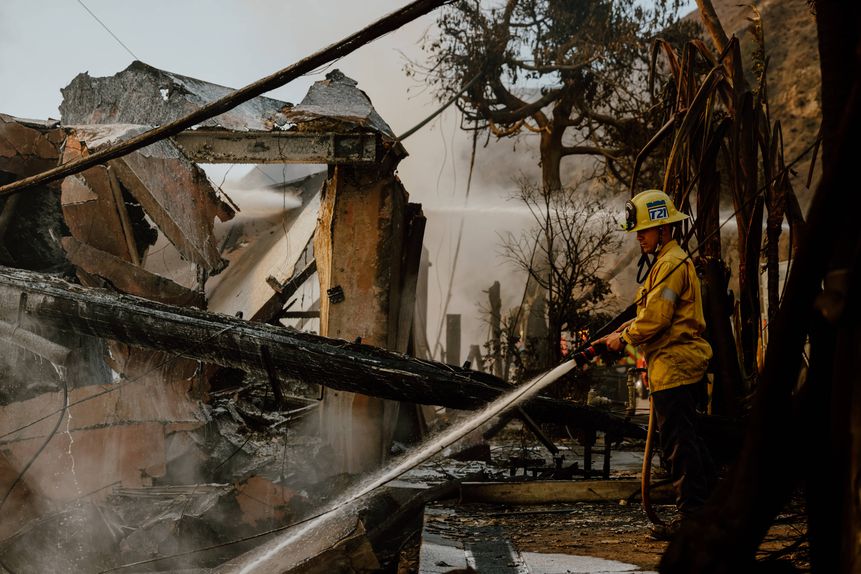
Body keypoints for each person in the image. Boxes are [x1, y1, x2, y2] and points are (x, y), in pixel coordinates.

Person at [599, 189, 715, 534]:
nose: (639, 238)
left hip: (675, 365)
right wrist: (623, 329)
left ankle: (692, 520)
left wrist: (625, 339)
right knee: (689, 441)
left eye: (644, 231)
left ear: (663, 229)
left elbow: (657, 319)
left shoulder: (669, 264)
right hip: (674, 365)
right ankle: (710, 512)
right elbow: (652, 313)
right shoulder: (667, 262)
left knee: (679, 446)